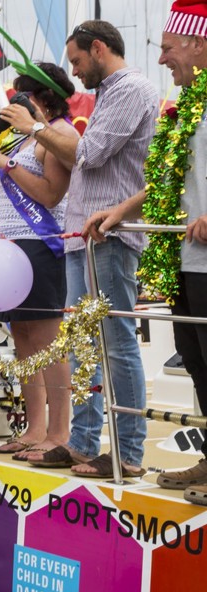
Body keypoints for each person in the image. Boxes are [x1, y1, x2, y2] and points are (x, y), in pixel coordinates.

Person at [1, 20, 158, 477]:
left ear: (99, 48)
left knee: (116, 343)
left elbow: (89, 154)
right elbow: (86, 156)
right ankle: (83, 442)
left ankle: (128, 453)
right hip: (84, 238)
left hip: (110, 235)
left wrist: (35, 127)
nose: (75, 72)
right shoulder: (111, 92)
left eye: (77, 61)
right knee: (82, 344)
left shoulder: (131, 89)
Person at [85, 1, 207, 500]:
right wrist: (121, 210)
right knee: (197, 363)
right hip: (185, 260)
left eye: (168, 48)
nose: (161, 59)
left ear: (198, 43)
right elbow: (166, 183)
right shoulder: (187, 106)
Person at [0, 63, 78, 459]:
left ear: (40, 98)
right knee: (24, 340)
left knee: (48, 343)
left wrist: (7, 165)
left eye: (21, 96)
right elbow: (19, 182)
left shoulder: (60, 134)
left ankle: (59, 432)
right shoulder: (26, 138)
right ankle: (35, 428)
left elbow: (50, 195)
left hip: (41, 245)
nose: (14, 103)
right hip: (10, 247)